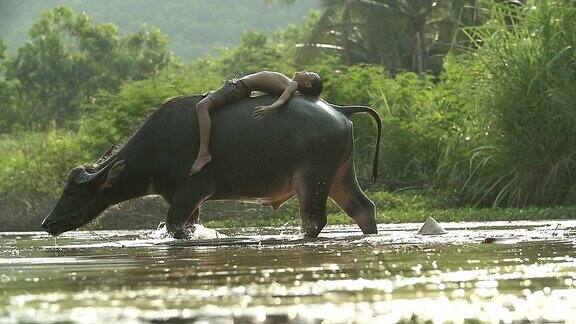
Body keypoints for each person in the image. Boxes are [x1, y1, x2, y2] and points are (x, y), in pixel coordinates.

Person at [189, 70, 323, 175]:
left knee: (201, 106)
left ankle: (203, 153)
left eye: (309, 74)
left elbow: (282, 99)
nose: (305, 71)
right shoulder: (290, 83)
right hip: (238, 87)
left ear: (307, 84)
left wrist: (270, 108)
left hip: (237, 87)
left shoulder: (292, 85)